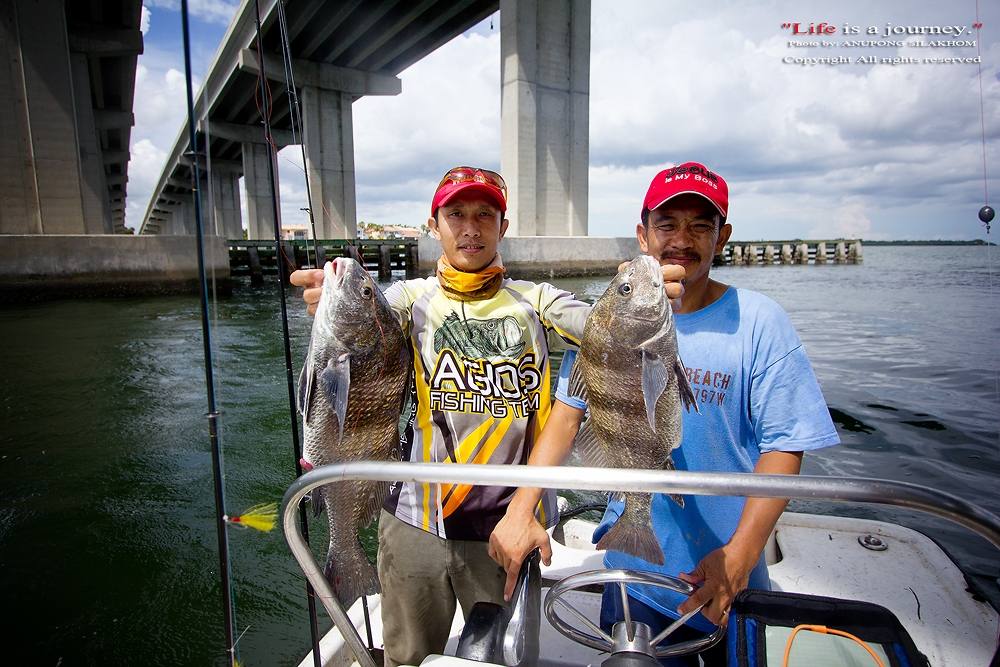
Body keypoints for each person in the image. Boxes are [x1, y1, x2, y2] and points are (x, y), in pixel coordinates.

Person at [290, 165, 685, 667]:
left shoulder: (538, 301)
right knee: (406, 657)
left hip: (508, 526)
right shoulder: (407, 301)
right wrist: (329, 302)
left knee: (501, 658)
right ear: (434, 225)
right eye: (456, 214)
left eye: (485, 214)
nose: (470, 228)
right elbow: (364, 322)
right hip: (414, 520)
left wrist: (650, 304)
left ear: (503, 225)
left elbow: (602, 326)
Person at [488, 162, 840, 666]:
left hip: (725, 576)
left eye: (701, 225)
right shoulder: (603, 323)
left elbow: (784, 445)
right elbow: (566, 420)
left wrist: (740, 556)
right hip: (633, 578)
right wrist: (520, 510)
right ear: (643, 234)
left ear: (723, 238)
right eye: (667, 224)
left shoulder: (761, 322)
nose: (682, 239)